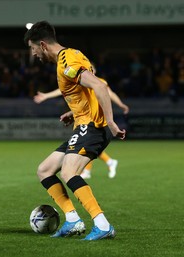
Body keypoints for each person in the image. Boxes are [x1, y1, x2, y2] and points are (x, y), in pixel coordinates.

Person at [24, 21, 125, 240]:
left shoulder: (66, 61)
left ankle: (102, 224)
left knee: (69, 172)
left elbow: (98, 85)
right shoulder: (73, 54)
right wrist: (73, 112)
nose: (33, 54)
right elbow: (86, 90)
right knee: (45, 170)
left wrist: (110, 121)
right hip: (84, 123)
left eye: (33, 49)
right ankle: (72, 221)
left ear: (42, 45)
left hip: (93, 126)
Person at [33, 63, 129, 179]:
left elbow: (110, 94)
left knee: (85, 146)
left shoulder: (99, 83)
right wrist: (47, 96)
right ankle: (106, 163)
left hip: (96, 120)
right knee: (86, 147)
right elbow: (64, 90)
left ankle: (103, 164)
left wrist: (121, 105)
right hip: (84, 119)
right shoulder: (81, 83)